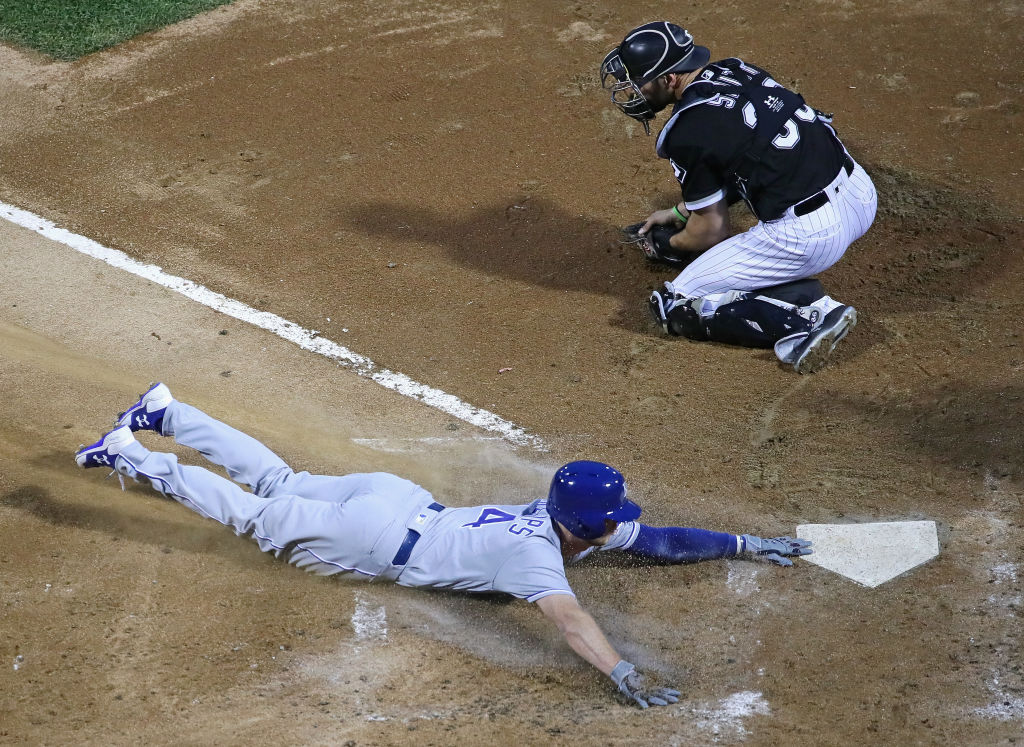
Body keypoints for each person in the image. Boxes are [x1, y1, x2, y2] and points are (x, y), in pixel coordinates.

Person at [75, 383, 812, 708]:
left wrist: (742, 542)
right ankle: (135, 452)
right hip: (372, 536)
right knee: (253, 518)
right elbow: (571, 621)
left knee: (279, 479)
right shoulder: (538, 561)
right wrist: (622, 673)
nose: (619, 527)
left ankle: (167, 411)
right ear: (584, 527)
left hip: (392, 496)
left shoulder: (551, 515)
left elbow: (658, 539)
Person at [601, 21, 878, 373]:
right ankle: (797, 295)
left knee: (675, 303)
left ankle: (807, 317)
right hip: (859, 193)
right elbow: (741, 156)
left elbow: (711, 233)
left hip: (810, 236)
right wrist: (683, 210)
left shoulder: (687, 129)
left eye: (640, 81)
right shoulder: (736, 69)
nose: (634, 90)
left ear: (669, 79)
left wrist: (673, 243)